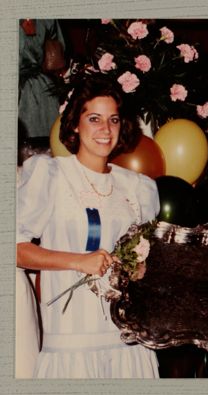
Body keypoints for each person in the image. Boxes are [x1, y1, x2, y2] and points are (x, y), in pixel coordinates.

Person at [16, 73, 160, 378]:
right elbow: (16, 250)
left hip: (128, 342)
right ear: (74, 124)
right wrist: (78, 261)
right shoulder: (50, 175)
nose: (105, 130)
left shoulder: (137, 186)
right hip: (71, 342)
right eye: (94, 118)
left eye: (113, 120)